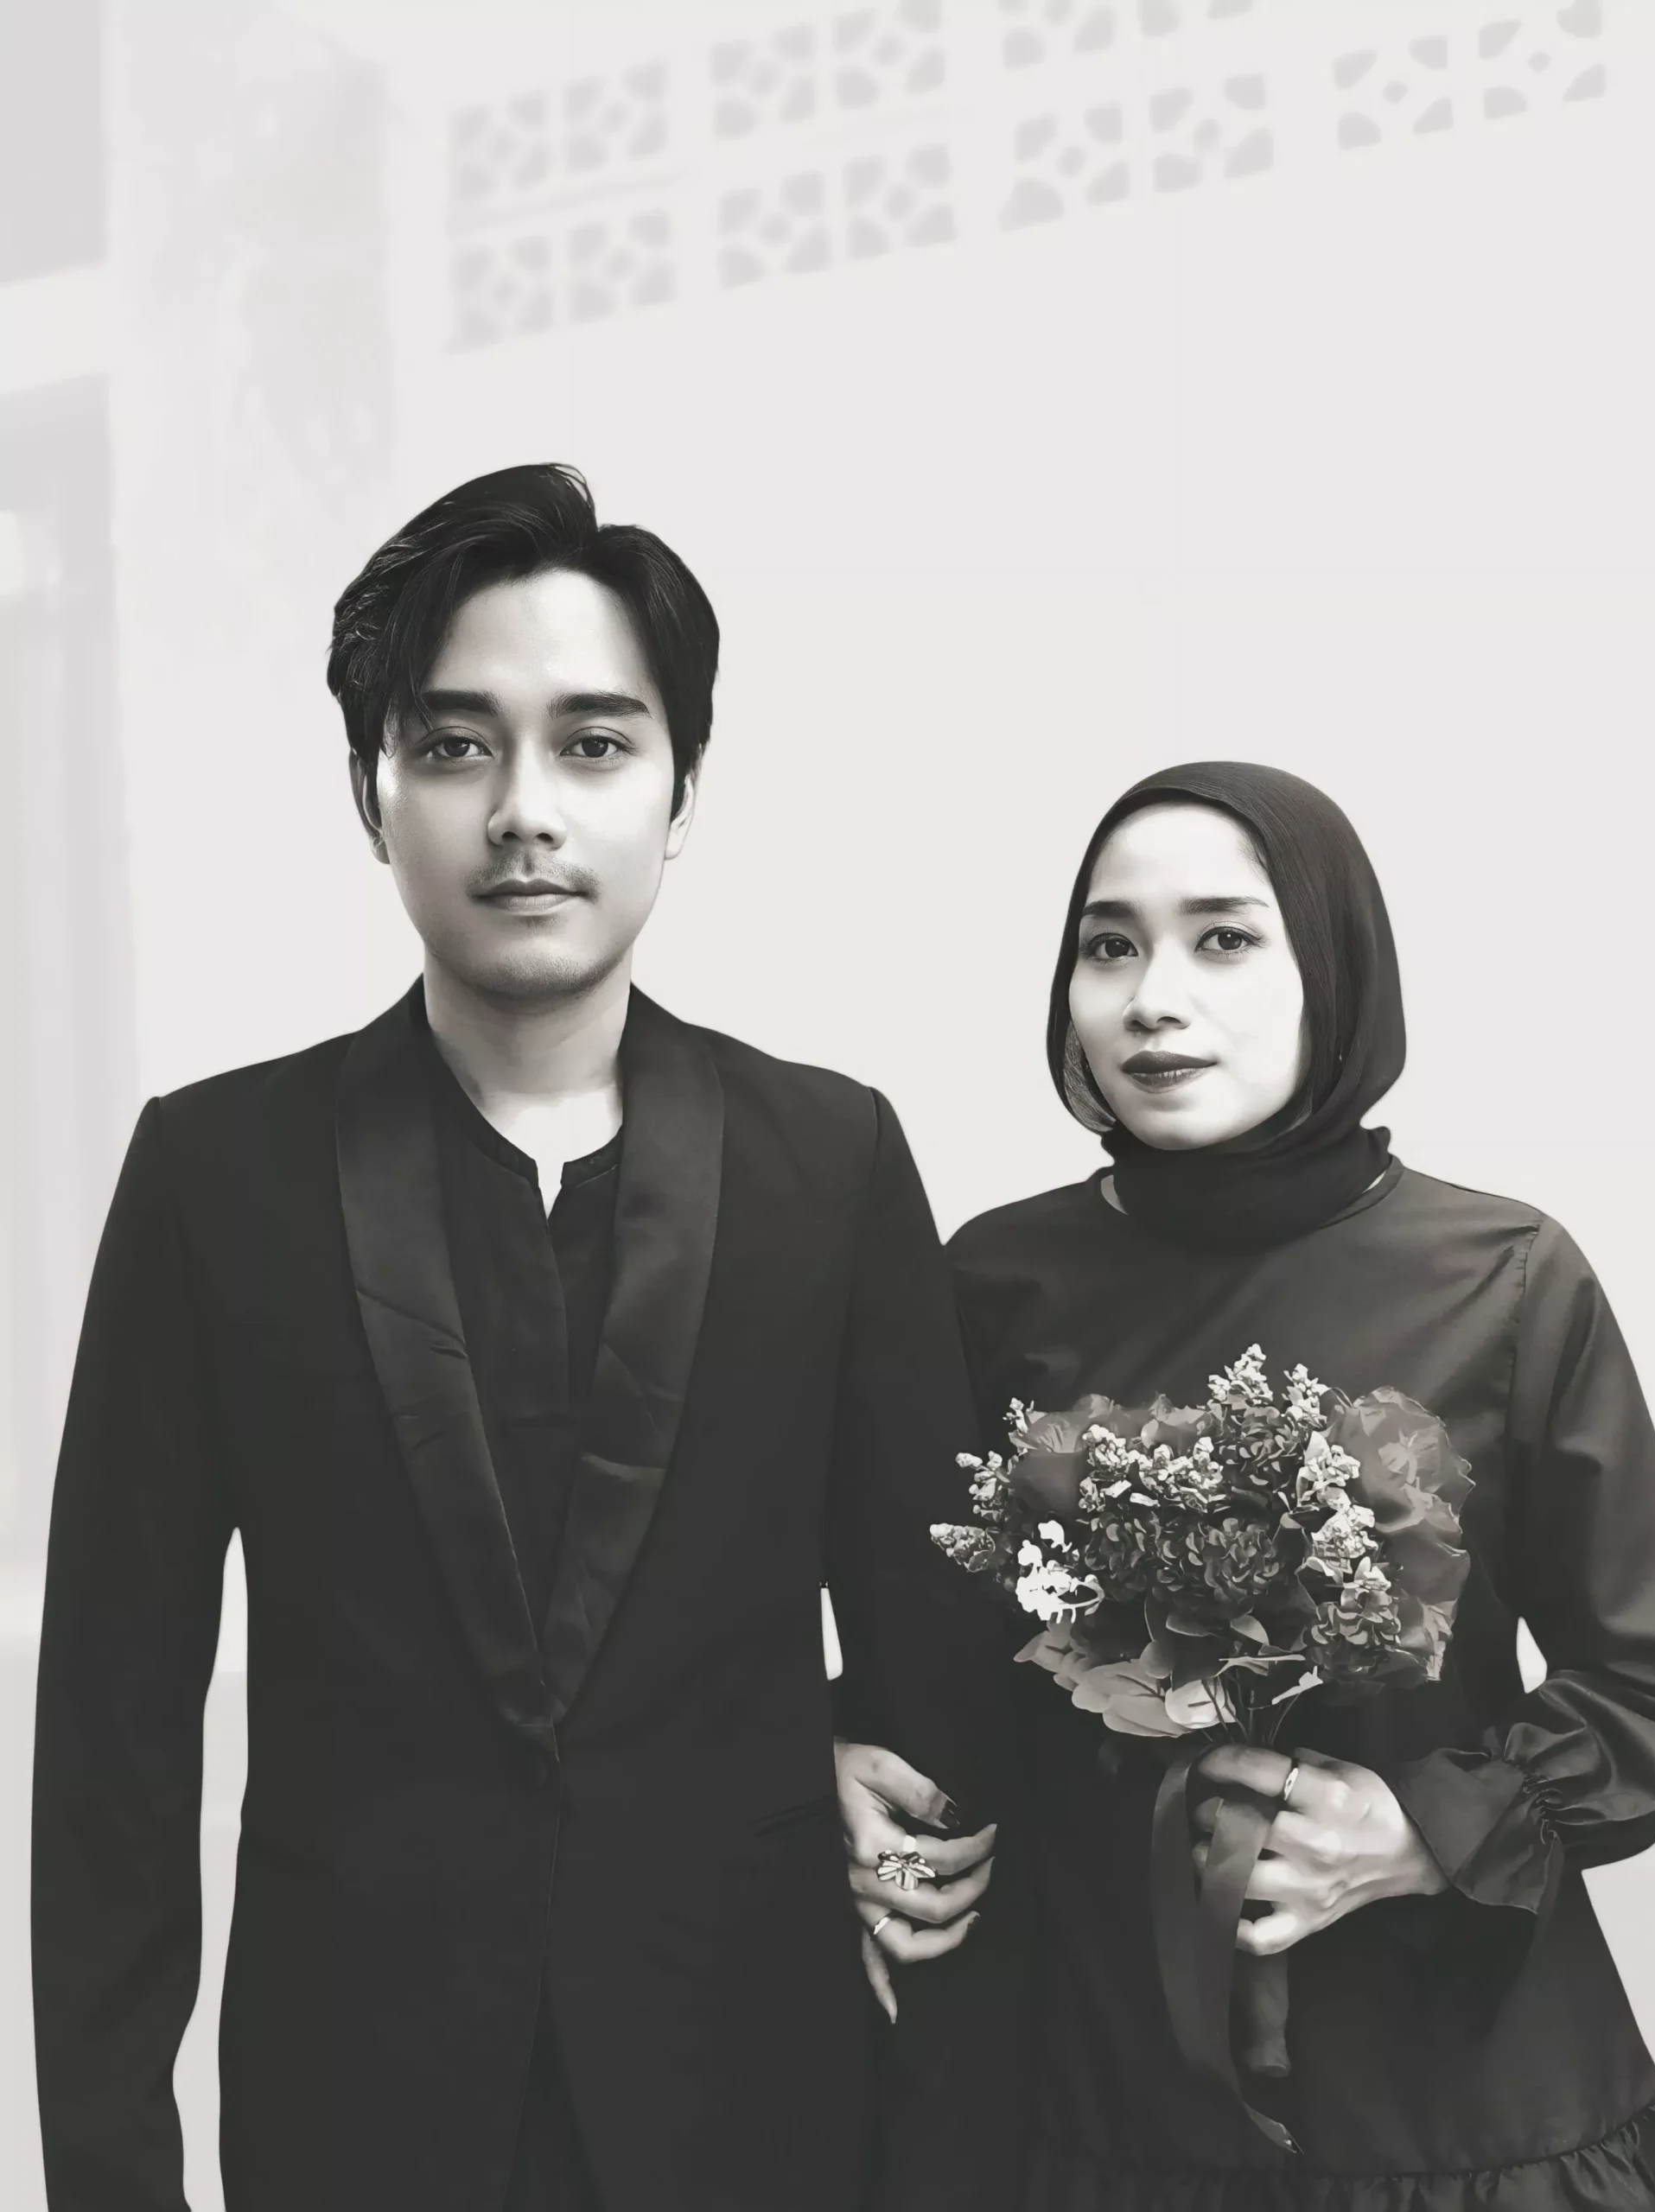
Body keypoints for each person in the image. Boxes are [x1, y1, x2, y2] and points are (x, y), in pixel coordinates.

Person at [31, 464, 1021, 2212]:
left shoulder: (831, 1160)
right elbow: (115, 1723)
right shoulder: (215, 1174)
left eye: (592, 743)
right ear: (373, 791)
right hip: (356, 2108)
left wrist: (825, 1752)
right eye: (454, 746)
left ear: (680, 790)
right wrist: (115, 2173)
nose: (522, 812)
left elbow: (931, 1655)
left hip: (761, 2097)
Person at [931, 761, 1655, 2204]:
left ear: (1338, 971)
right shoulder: (996, 1279)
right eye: (1109, 945)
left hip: (1452, 2100)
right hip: (1094, 2088)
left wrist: (1423, 1833)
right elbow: (937, 1668)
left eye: (1224, 938)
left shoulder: (1503, 1277)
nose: (1152, 998)